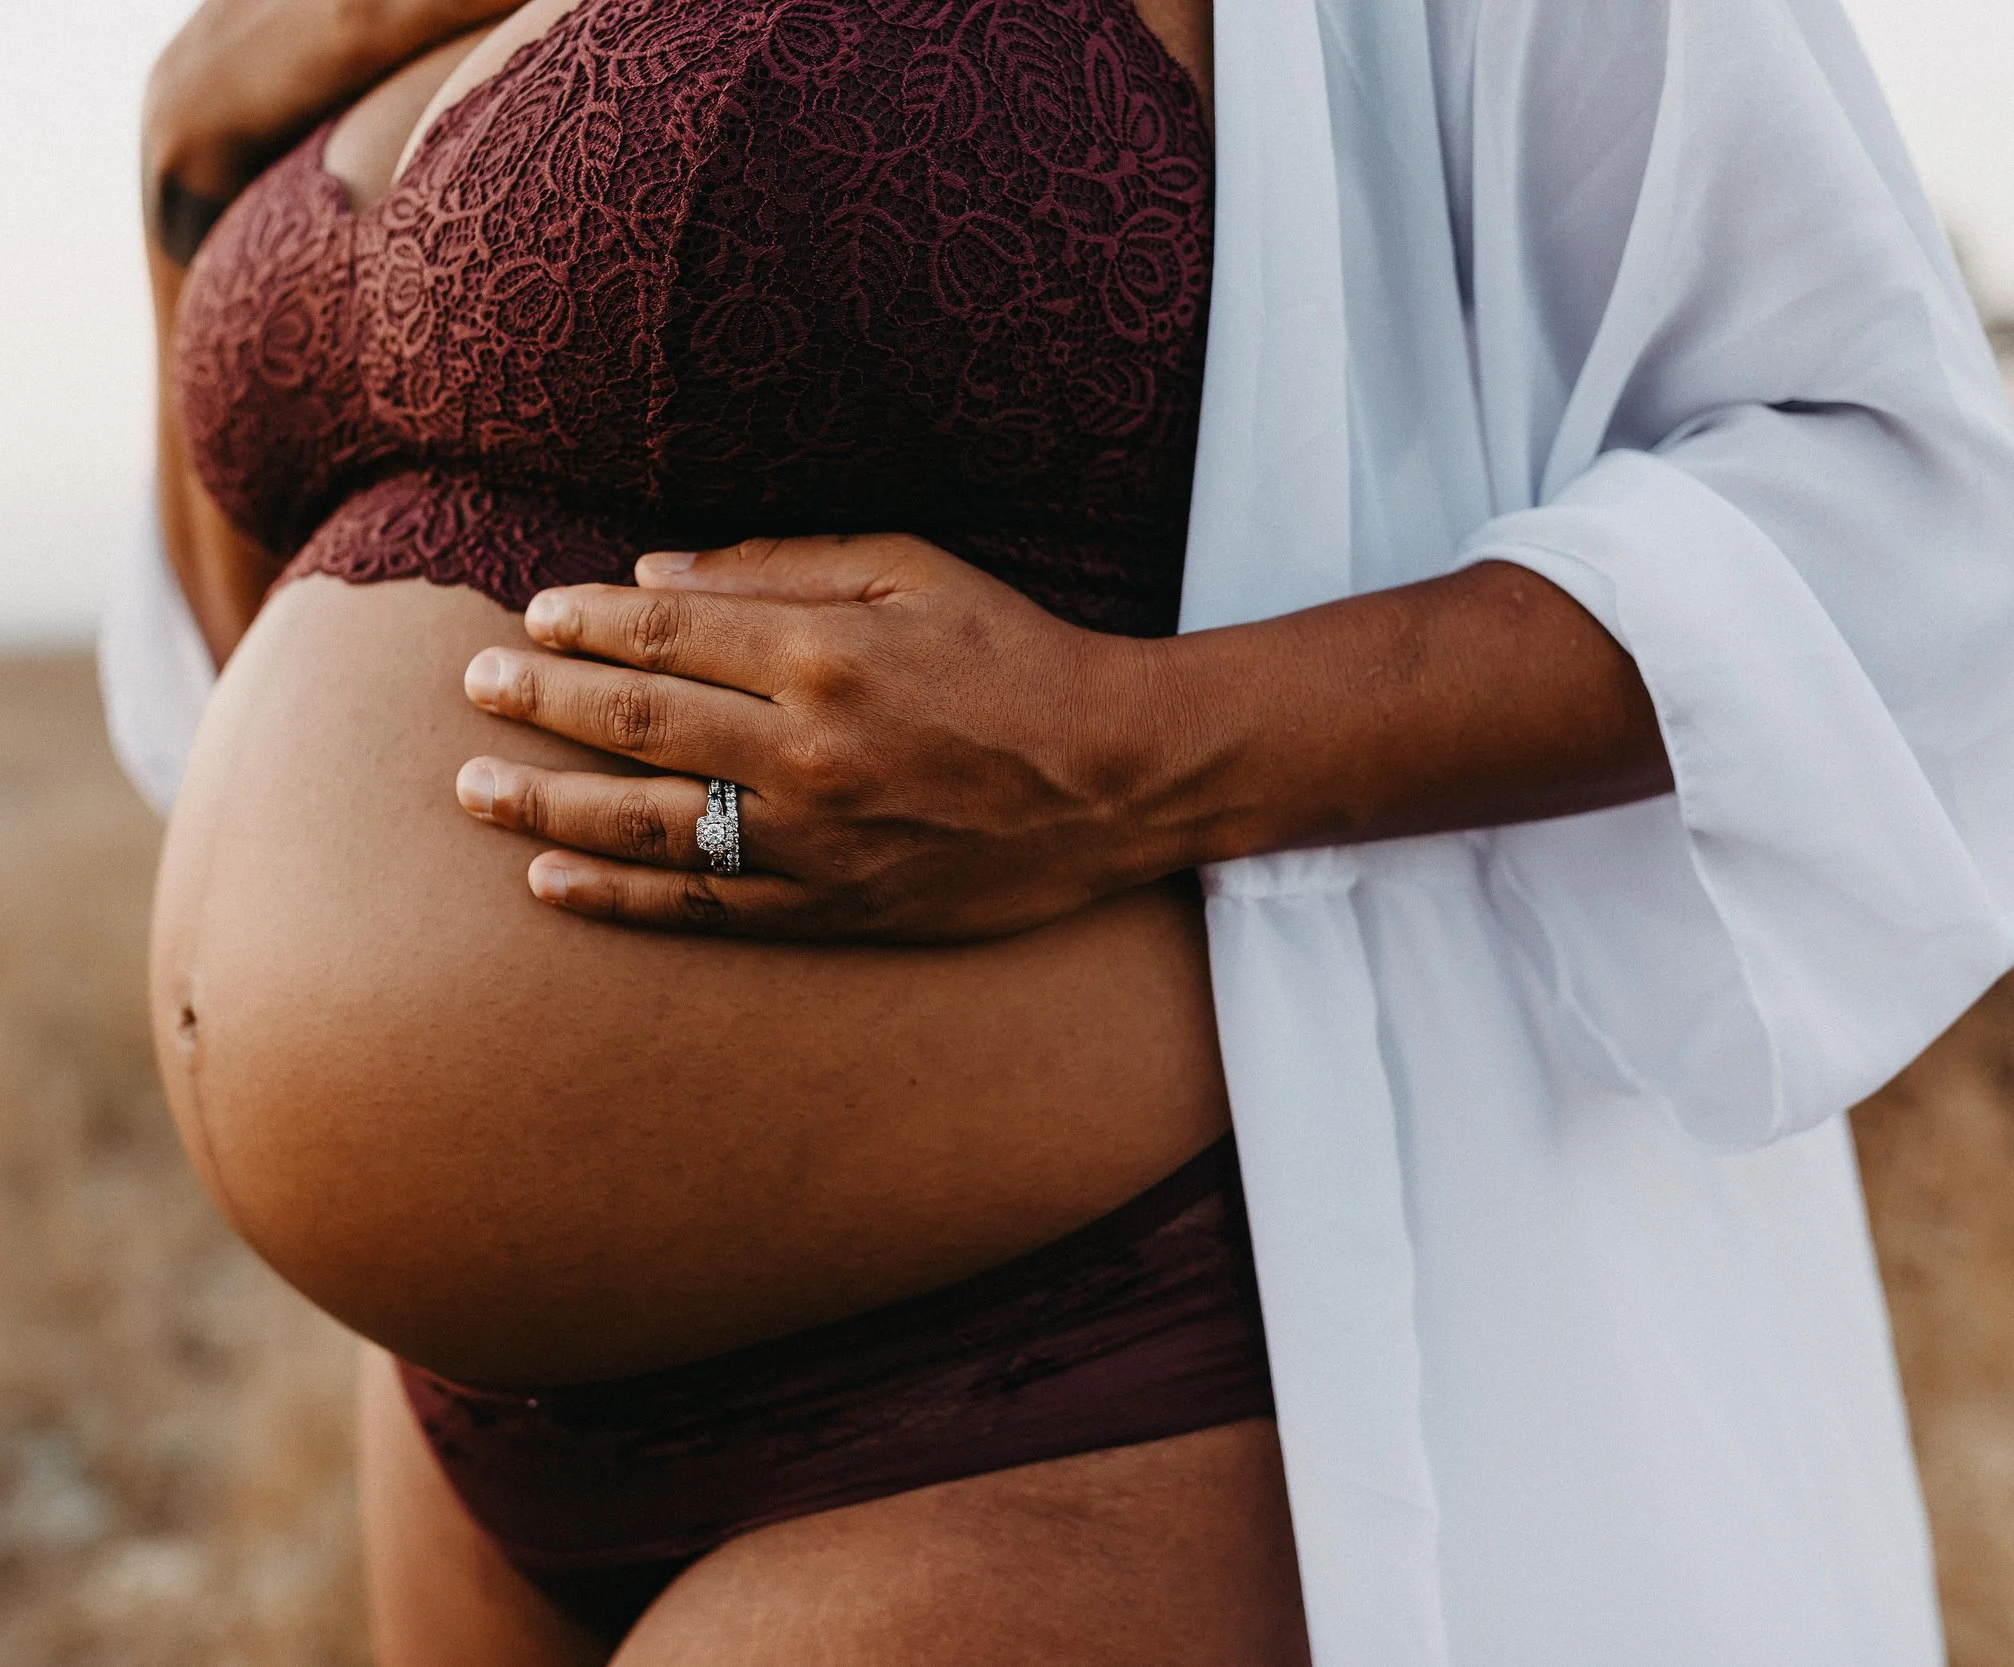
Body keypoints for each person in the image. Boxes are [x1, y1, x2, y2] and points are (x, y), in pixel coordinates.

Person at [107, 1, 2014, 1663]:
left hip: (1048, 1380)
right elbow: (233, 662)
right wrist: (187, 192)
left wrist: (1129, 748)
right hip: (458, 1417)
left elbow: (1894, 493)